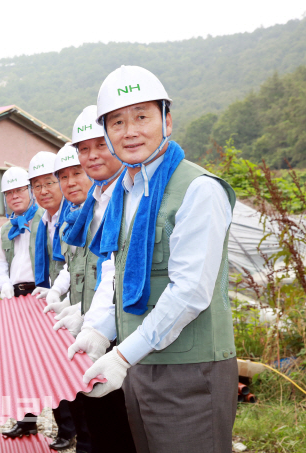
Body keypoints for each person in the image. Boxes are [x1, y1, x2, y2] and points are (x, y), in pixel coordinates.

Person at [72, 66, 237, 453]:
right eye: (117, 121)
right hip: (140, 365)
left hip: (190, 372)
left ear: (167, 120)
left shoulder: (197, 189)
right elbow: (116, 272)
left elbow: (191, 292)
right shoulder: (126, 192)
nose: (130, 131)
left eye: (142, 116)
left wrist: (123, 355)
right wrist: (99, 330)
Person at [55, 106, 135, 453]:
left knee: (121, 429)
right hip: (99, 328)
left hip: (127, 338)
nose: (91, 157)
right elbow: (98, 270)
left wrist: (96, 325)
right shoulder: (96, 203)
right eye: (82, 149)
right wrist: (83, 314)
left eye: (98, 145)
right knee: (100, 424)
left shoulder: (131, 195)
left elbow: (118, 272)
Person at [26, 151, 93, 453]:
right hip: (61, 303)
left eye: (50, 182)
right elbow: (69, 264)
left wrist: (71, 302)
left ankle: (82, 436)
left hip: (86, 310)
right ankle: (74, 432)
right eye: (36, 186)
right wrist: (52, 291)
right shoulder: (47, 221)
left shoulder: (81, 213)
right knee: (57, 372)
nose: (44, 191)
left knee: (83, 382)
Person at [0, 166, 45, 438]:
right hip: (15, 297)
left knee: (52, 360)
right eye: (9, 192)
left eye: (19, 190)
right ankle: (27, 421)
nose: (14, 196)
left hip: (41, 296)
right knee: (21, 362)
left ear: (30, 191)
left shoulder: (45, 220)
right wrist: (3, 286)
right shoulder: (5, 230)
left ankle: (70, 427)